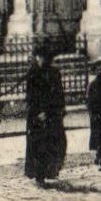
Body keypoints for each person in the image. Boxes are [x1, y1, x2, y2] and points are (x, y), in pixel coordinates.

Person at [24, 41, 67, 187]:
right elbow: (31, 97)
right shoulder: (33, 73)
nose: (42, 60)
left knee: (57, 142)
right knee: (39, 146)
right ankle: (39, 176)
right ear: (36, 57)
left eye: (45, 57)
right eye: (40, 57)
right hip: (38, 115)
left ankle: (52, 171)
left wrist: (62, 108)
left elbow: (60, 92)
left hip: (53, 113)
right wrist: (39, 112)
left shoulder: (54, 72)